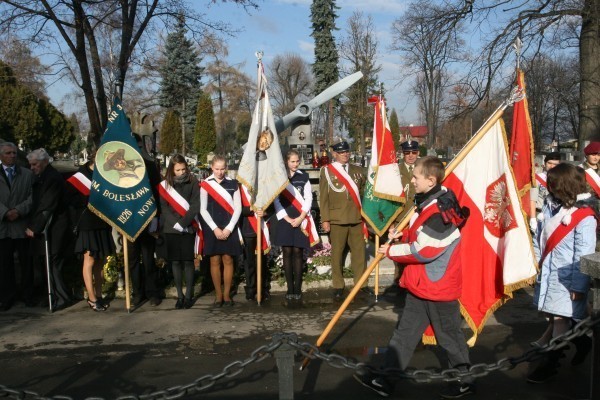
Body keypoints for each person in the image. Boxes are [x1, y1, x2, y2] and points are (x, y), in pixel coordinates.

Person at [354, 156, 474, 399]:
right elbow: (421, 234)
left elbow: (423, 250)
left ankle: (464, 381)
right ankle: (386, 379)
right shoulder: (431, 202)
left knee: (449, 338)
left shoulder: (440, 211)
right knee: (405, 334)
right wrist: (404, 233)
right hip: (422, 286)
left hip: (438, 288)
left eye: (416, 176)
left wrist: (390, 251)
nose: (412, 179)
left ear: (431, 180)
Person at [527, 163, 597, 383]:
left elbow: (582, 255)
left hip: (567, 277)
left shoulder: (584, 216)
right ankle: (583, 342)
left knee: (559, 320)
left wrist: (579, 286)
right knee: (552, 315)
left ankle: (550, 364)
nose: (548, 186)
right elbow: (541, 239)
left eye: (553, 182)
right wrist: (537, 263)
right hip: (548, 271)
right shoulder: (550, 206)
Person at [319, 139, 368, 301]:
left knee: (359, 254)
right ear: (334, 154)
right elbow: (323, 197)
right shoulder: (327, 171)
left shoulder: (358, 170)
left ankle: (361, 284)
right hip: (337, 219)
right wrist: (325, 219)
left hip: (356, 218)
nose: (345, 154)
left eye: (347, 151)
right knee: (337, 254)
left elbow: (363, 194)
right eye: (341, 152)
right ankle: (338, 285)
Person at [67, 150, 115, 312]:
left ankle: (99, 294)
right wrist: (87, 199)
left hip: (103, 222)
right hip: (87, 223)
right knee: (90, 260)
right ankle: (92, 297)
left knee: (100, 260)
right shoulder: (80, 176)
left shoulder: (107, 174)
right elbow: (70, 199)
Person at [25, 148, 72, 310]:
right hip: (48, 228)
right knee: (47, 264)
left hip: (55, 228)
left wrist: (35, 227)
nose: (32, 168)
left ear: (45, 161)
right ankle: (52, 294)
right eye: (30, 165)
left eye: (35, 164)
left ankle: (62, 297)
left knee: (53, 263)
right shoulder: (41, 177)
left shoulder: (52, 178)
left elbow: (47, 205)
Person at [274, 149, 319, 302]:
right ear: (286, 162)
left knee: (298, 252)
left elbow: (308, 199)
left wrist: (300, 217)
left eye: (297, 161)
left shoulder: (304, 177)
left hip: (300, 219)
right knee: (286, 252)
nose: (295, 164)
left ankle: (298, 288)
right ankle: (289, 288)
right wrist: (285, 217)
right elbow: (276, 199)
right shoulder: (280, 177)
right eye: (292, 161)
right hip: (285, 219)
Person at [157, 155, 200, 310]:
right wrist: (175, 223)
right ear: (171, 170)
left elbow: (195, 205)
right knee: (175, 261)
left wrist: (183, 223)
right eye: (178, 170)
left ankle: (189, 295)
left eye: (183, 169)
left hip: (188, 227)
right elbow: (164, 207)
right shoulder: (165, 185)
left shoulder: (193, 182)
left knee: (188, 262)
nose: (181, 172)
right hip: (171, 228)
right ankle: (179, 296)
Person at [200, 155, 242, 307]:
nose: (219, 172)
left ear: (226, 168)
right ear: (211, 167)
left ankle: (227, 295)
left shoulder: (233, 184)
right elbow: (202, 209)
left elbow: (238, 207)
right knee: (214, 260)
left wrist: (230, 228)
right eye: (217, 169)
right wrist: (215, 228)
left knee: (228, 259)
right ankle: (218, 295)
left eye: (222, 169)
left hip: (229, 225)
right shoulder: (205, 184)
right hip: (213, 227)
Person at [128, 133, 162, 308]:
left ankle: (152, 292)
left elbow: (157, 193)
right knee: (132, 260)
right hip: (128, 219)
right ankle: (137, 293)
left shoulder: (149, 166)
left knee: (148, 258)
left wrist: (156, 218)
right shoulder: (122, 170)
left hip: (147, 218)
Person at [0, 142, 34, 311]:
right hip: (3, 227)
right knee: (5, 265)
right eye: (8, 153)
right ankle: (7, 296)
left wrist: (18, 211)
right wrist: (5, 212)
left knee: (26, 262)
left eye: (14, 153)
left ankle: (28, 295)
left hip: (21, 226)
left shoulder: (27, 174)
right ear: (1, 155)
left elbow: (32, 197)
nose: (12, 156)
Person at [390, 140, 419, 290]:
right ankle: (398, 282)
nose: (411, 156)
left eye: (414, 152)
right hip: (401, 218)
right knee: (400, 252)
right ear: (403, 154)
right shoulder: (396, 170)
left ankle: (414, 283)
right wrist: (392, 222)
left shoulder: (423, 169)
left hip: (420, 219)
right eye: (407, 153)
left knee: (416, 252)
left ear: (418, 153)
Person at [239, 183, 271, 302]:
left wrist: (265, 212)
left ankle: (263, 289)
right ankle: (251, 289)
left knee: (262, 260)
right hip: (248, 228)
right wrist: (251, 209)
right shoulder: (239, 187)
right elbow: (237, 208)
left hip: (261, 227)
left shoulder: (262, 185)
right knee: (250, 262)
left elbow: (271, 205)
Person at [529, 152, 561, 234]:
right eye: (549, 163)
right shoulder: (538, 178)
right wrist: (533, 219)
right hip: (540, 213)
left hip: (557, 213)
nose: (552, 166)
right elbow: (533, 199)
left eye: (555, 164)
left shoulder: (563, 178)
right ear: (545, 163)